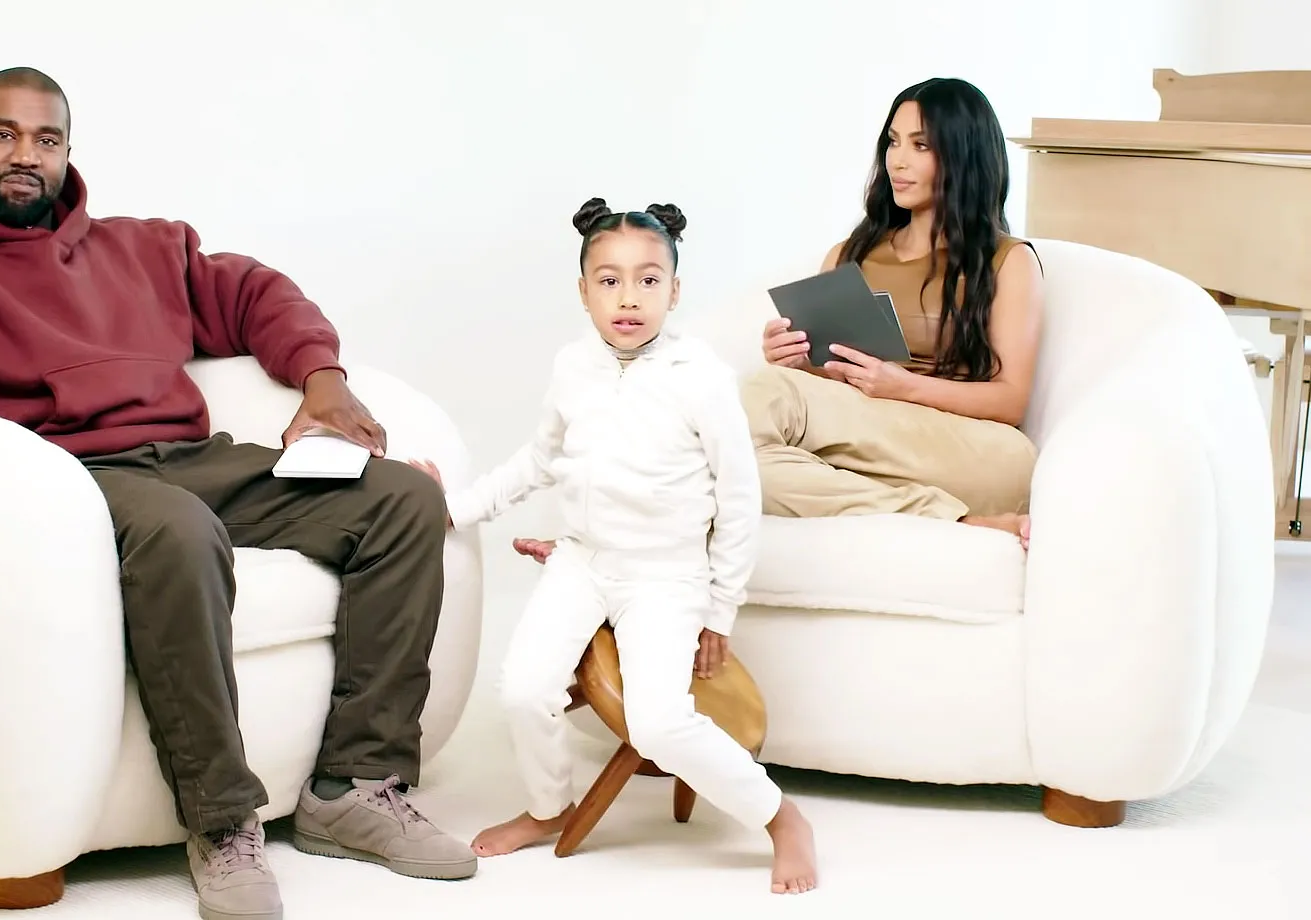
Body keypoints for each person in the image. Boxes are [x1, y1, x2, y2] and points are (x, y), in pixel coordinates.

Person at [0, 60, 476, 920]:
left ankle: (354, 788)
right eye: (2, 134)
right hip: (66, 478)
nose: (25, 154)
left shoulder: (144, 247)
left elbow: (253, 292)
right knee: (178, 530)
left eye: (46, 139)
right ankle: (221, 822)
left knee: (402, 502)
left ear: (68, 152)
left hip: (193, 458)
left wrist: (321, 378)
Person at [410, 198, 819, 895]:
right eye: (609, 280)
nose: (629, 298)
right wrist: (453, 508)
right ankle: (548, 807)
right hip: (583, 560)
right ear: (584, 291)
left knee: (658, 725)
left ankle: (780, 818)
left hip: (666, 577)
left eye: (648, 280)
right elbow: (538, 461)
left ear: (674, 291)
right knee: (522, 689)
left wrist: (719, 609)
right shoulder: (573, 365)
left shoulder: (701, 377)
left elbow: (738, 499)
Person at [751, 77, 1043, 547]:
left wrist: (903, 386)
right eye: (892, 141)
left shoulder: (1008, 261)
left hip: (974, 450)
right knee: (740, 460)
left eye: (920, 145)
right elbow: (836, 382)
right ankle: (952, 520)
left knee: (758, 402)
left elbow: (1010, 401)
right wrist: (799, 360)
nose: (897, 161)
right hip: (866, 440)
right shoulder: (850, 253)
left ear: (964, 156)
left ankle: (869, 495)